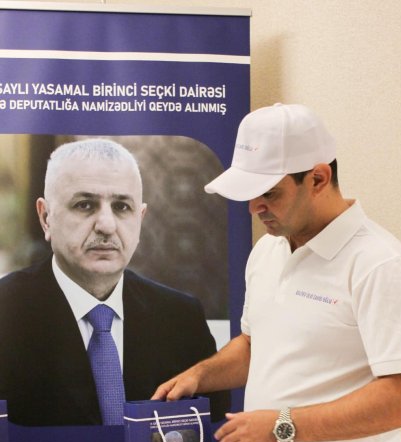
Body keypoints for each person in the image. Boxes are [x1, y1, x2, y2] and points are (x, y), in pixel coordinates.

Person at [152, 103, 401, 442]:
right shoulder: (268, 250)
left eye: (270, 193)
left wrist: (281, 426)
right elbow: (256, 345)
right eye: (251, 194)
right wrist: (200, 376)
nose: (254, 207)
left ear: (317, 178)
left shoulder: (378, 262)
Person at [0, 138, 229, 426]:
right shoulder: (6, 311)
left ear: (140, 219)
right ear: (46, 217)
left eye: (121, 207)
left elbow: (214, 438)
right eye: (85, 205)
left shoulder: (181, 319)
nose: (107, 225)